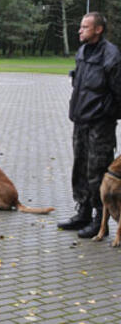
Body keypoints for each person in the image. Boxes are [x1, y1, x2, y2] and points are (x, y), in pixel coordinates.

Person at [57, 12, 121, 238]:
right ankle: (82, 211)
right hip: (81, 120)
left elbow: (118, 92)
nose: (80, 30)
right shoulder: (83, 51)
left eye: (85, 27)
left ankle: (98, 218)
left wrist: (105, 114)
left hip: (99, 125)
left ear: (98, 29)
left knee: (97, 171)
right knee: (80, 167)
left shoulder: (111, 55)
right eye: (81, 26)